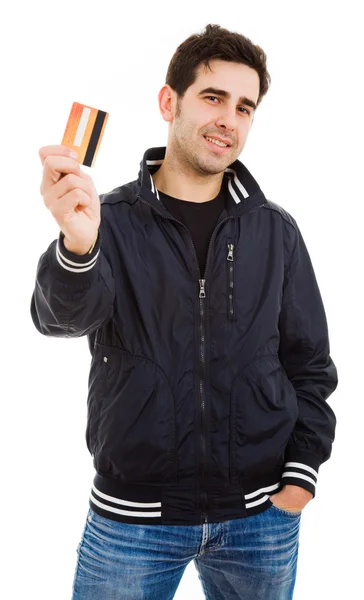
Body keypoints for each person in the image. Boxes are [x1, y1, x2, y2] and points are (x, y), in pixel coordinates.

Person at [31, 23, 338, 600]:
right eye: (214, 97)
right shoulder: (109, 222)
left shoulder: (275, 231)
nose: (230, 119)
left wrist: (300, 476)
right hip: (132, 523)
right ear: (169, 102)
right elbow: (59, 319)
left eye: (244, 107)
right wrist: (77, 244)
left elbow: (311, 366)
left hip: (259, 520)